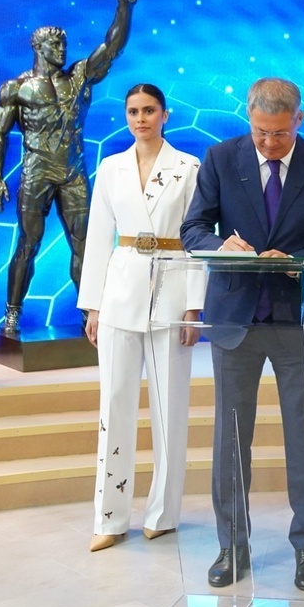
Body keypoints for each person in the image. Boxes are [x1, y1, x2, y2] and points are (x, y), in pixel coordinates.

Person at [180, 77, 304, 592]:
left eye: (280, 133)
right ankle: (232, 547)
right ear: (249, 118)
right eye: (260, 132)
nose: (269, 142)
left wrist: (298, 259)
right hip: (233, 318)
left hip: (295, 321)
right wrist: (221, 246)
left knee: (303, 436)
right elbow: (193, 230)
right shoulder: (220, 159)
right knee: (231, 439)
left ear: (299, 119)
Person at [77, 83, 204, 552]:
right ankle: (109, 518)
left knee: (170, 407)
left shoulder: (189, 167)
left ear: (165, 114)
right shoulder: (110, 168)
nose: (141, 118)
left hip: (172, 290)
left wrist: (194, 303)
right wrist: (92, 304)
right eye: (133, 111)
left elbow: (198, 236)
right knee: (114, 404)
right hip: (120, 291)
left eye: (149, 110)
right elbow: (97, 237)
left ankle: (163, 513)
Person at [0, 0, 146, 333]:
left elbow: (112, 47)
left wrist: (124, 7)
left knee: (85, 247)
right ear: (39, 48)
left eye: (64, 44)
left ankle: (91, 314)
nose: (62, 49)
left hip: (73, 172)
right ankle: (12, 313)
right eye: (55, 45)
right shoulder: (16, 88)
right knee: (28, 244)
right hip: (37, 171)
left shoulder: (79, 77)